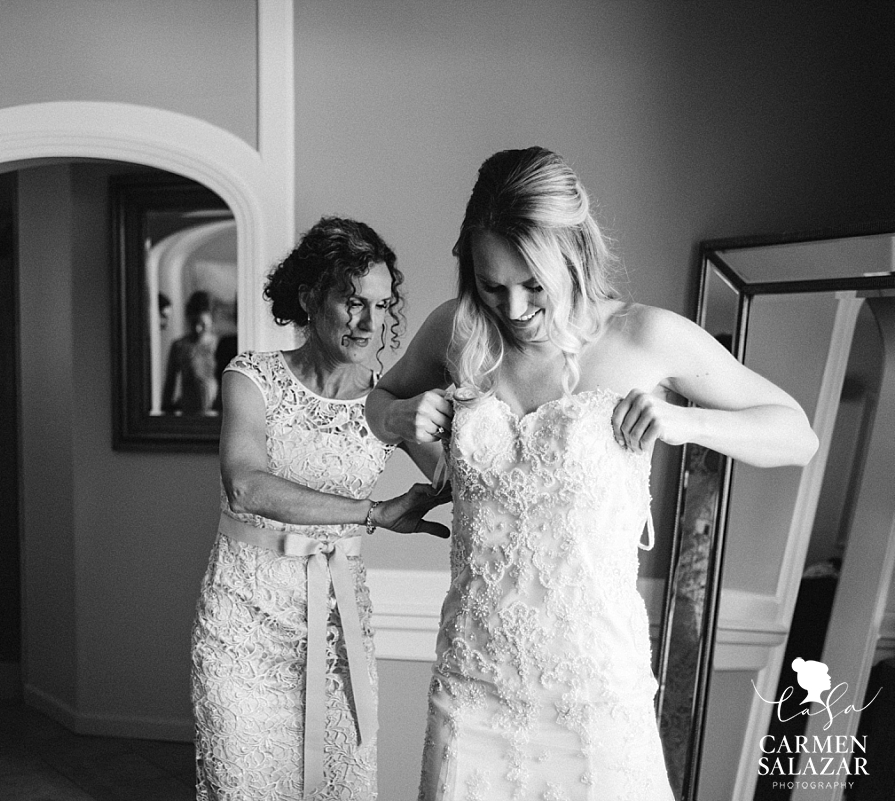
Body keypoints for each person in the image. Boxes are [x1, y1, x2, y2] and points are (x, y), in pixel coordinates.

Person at [365, 147, 818, 801]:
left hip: (593, 695)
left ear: (573, 254)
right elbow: (378, 407)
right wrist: (405, 416)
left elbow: (796, 432)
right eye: (492, 285)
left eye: (532, 285)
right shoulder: (458, 330)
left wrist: (686, 423)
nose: (513, 307)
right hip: (473, 685)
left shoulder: (645, 338)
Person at [190, 216, 451, 801]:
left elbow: (453, 475)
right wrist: (373, 513)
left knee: (339, 786)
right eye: (353, 302)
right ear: (310, 298)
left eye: (382, 306)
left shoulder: (390, 399)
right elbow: (246, 487)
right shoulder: (250, 377)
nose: (370, 322)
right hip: (243, 625)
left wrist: (472, 414)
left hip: (338, 623)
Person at [162, 290, 220, 415]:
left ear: (211, 320)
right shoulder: (179, 346)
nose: (197, 329)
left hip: (215, 418)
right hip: (188, 416)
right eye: (193, 323)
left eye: (202, 324)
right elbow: (169, 387)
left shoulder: (219, 346)